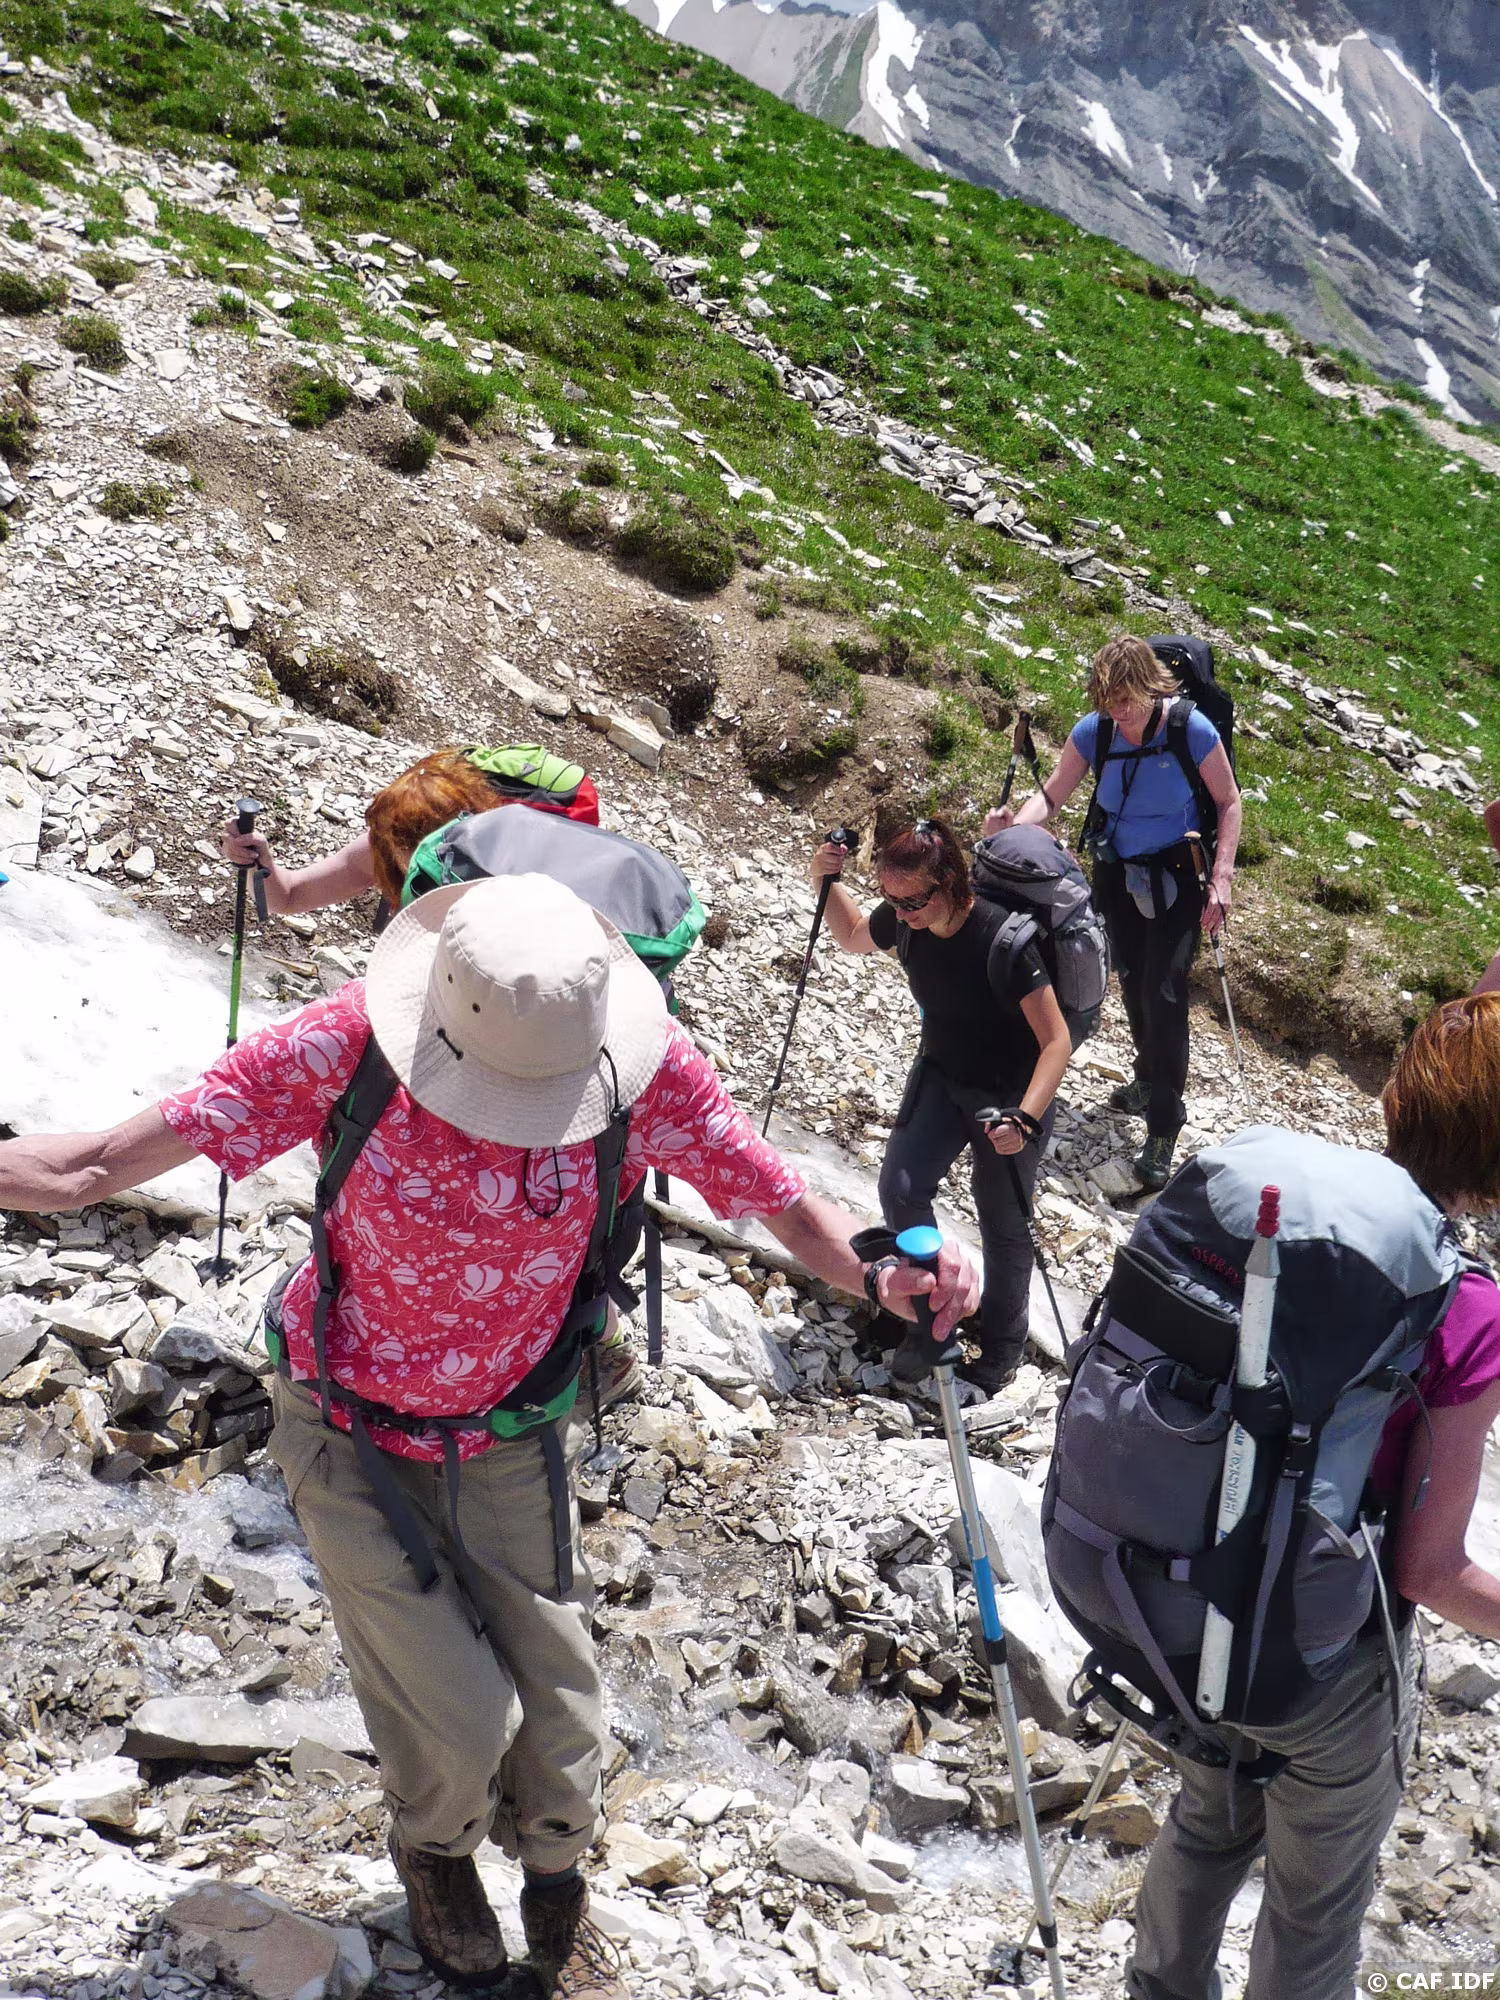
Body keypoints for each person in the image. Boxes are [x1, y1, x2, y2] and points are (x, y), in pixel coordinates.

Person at [0, 873, 978, 2000]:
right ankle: (435, 1852)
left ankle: (557, 1887)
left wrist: (883, 1274)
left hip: (509, 1426)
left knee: (564, 1724)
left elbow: (780, 1202)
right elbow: (89, 1165)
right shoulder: (344, 1045)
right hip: (346, 1423)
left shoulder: (641, 1067)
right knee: (461, 1718)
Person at [1125, 992, 1500, 2000]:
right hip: (1321, 1652)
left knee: (1206, 1822)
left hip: (1192, 1596)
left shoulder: (1284, 1220)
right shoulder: (1466, 1308)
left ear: (1394, 1100)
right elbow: (1429, 1569)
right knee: (1315, 1909)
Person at [222, 747, 646, 1406]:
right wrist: (259, 864)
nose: (397, 871)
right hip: (447, 1059)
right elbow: (292, 896)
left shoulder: (532, 901)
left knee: (552, 1232)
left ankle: (589, 1340)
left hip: (546, 1080)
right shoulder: (402, 837)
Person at [810, 815, 1073, 1396]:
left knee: (1002, 1220)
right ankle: (928, 1313)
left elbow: (1057, 1042)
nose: (902, 913)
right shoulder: (906, 918)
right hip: (941, 1074)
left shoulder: (1006, 941)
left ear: (950, 881)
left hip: (1009, 1095)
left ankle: (1002, 1345)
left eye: (913, 902)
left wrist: (1026, 1119)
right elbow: (853, 934)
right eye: (892, 900)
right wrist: (826, 881)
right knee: (901, 1189)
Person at [985, 635, 1241, 1191]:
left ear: (1151, 688)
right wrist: (1012, 831)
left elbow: (1228, 801)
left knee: (1164, 992)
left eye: (1126, 700)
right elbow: (1053, 796)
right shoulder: (1094, 731)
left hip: (1178, 876)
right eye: (1108, 702)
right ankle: (1147, 1077)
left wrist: (1221, 879)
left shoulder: (1191, 730)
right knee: (1127, 975)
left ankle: (1164, 1126)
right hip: (1115, 873)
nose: (1118, 713)